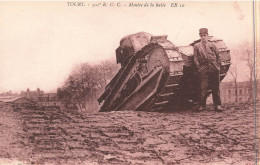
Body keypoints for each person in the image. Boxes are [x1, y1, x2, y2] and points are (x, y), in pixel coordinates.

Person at [193, 28, 223, 112]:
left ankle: (217, 105)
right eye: (201, 36)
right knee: (203, 87)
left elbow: (218, 55)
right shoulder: (197, 46)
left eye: (204, 35)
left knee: (215, 87)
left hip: (214, 67)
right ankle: (202, 105)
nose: (203, 37)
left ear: (207, 36)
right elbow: (195, 57)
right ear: (200, 36)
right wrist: (199, 67)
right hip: (203, 67)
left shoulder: (212, 45)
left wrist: (217, 65)